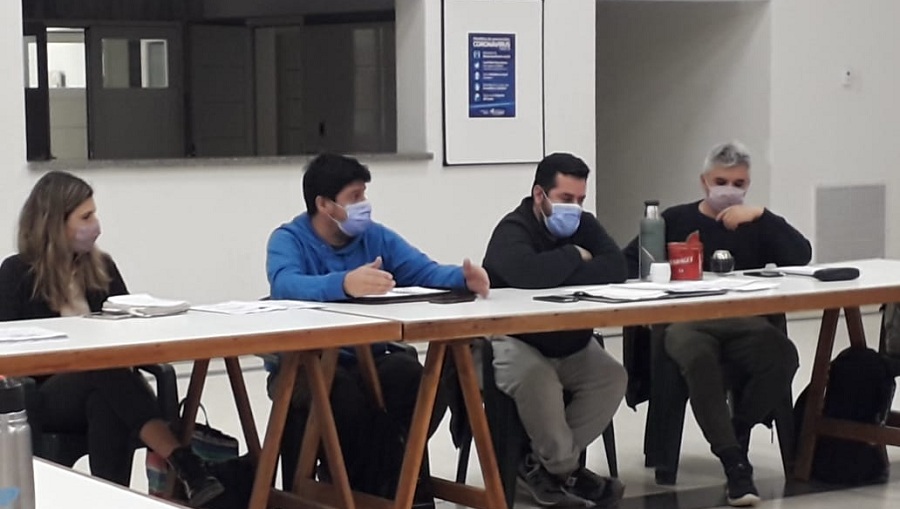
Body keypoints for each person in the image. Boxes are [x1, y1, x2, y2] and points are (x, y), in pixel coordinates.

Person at [266, 153, 490, 495]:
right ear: (324, 204)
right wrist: (344, 284)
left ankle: (385, 481)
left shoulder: (376, 237)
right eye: (354, 197)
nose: (364, 205)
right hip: (304, 363)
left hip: (370, 357)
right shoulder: (288, 239)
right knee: (343, 399)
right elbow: (285, 284)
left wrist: (462, 278)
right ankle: (373, 487)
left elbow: (422, 271)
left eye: (364, 195)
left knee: (420, 383)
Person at [0, 171, 223, 507]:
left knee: (105, 397)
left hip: (103, 387)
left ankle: (113, 499)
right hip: (44, 393)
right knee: (100, 365)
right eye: (86, 217)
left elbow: (127, 325)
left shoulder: (101, 267)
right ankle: (184, 460)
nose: (97, 226)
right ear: (55, 222)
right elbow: (7, 345)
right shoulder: (17, 273)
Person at [623, 142, 812, 507]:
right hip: (686, 323)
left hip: (744, 323)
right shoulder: (675, 220)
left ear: (748, 184)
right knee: (698, 357)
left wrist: (763, 216)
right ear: (704, 182)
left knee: (783, 355)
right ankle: (733, 463)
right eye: (721, 181)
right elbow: (628, 262)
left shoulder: (757, 223)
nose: (729, 190)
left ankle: (738, 428)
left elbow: (801, 255)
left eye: (739, 183)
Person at [482, 153, 627, 508]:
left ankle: (535, 468)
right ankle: (565, 470)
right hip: (513, 340)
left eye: (580, 199)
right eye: (565, 198)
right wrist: (575, 256)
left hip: (570, 342)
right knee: (538, 379)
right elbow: (527, 274)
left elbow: (616, 267)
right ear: (539, 195)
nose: (574, 208)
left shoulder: (584, 224)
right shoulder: (512, 230)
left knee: (612, 377)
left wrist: (556, 271)